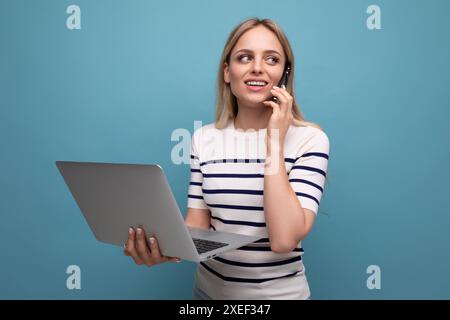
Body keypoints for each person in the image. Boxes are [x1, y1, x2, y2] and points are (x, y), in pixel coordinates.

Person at [124, 17, 330, 300]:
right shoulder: (203, 138)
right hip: (207, 295)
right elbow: (197, 225)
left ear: (284, 74)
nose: (257, 67)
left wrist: (274, 142)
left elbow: (283, 240)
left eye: (271, 59)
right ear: (226, 71)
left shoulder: (310, 140)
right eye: (245, 57)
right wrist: (163, 249)